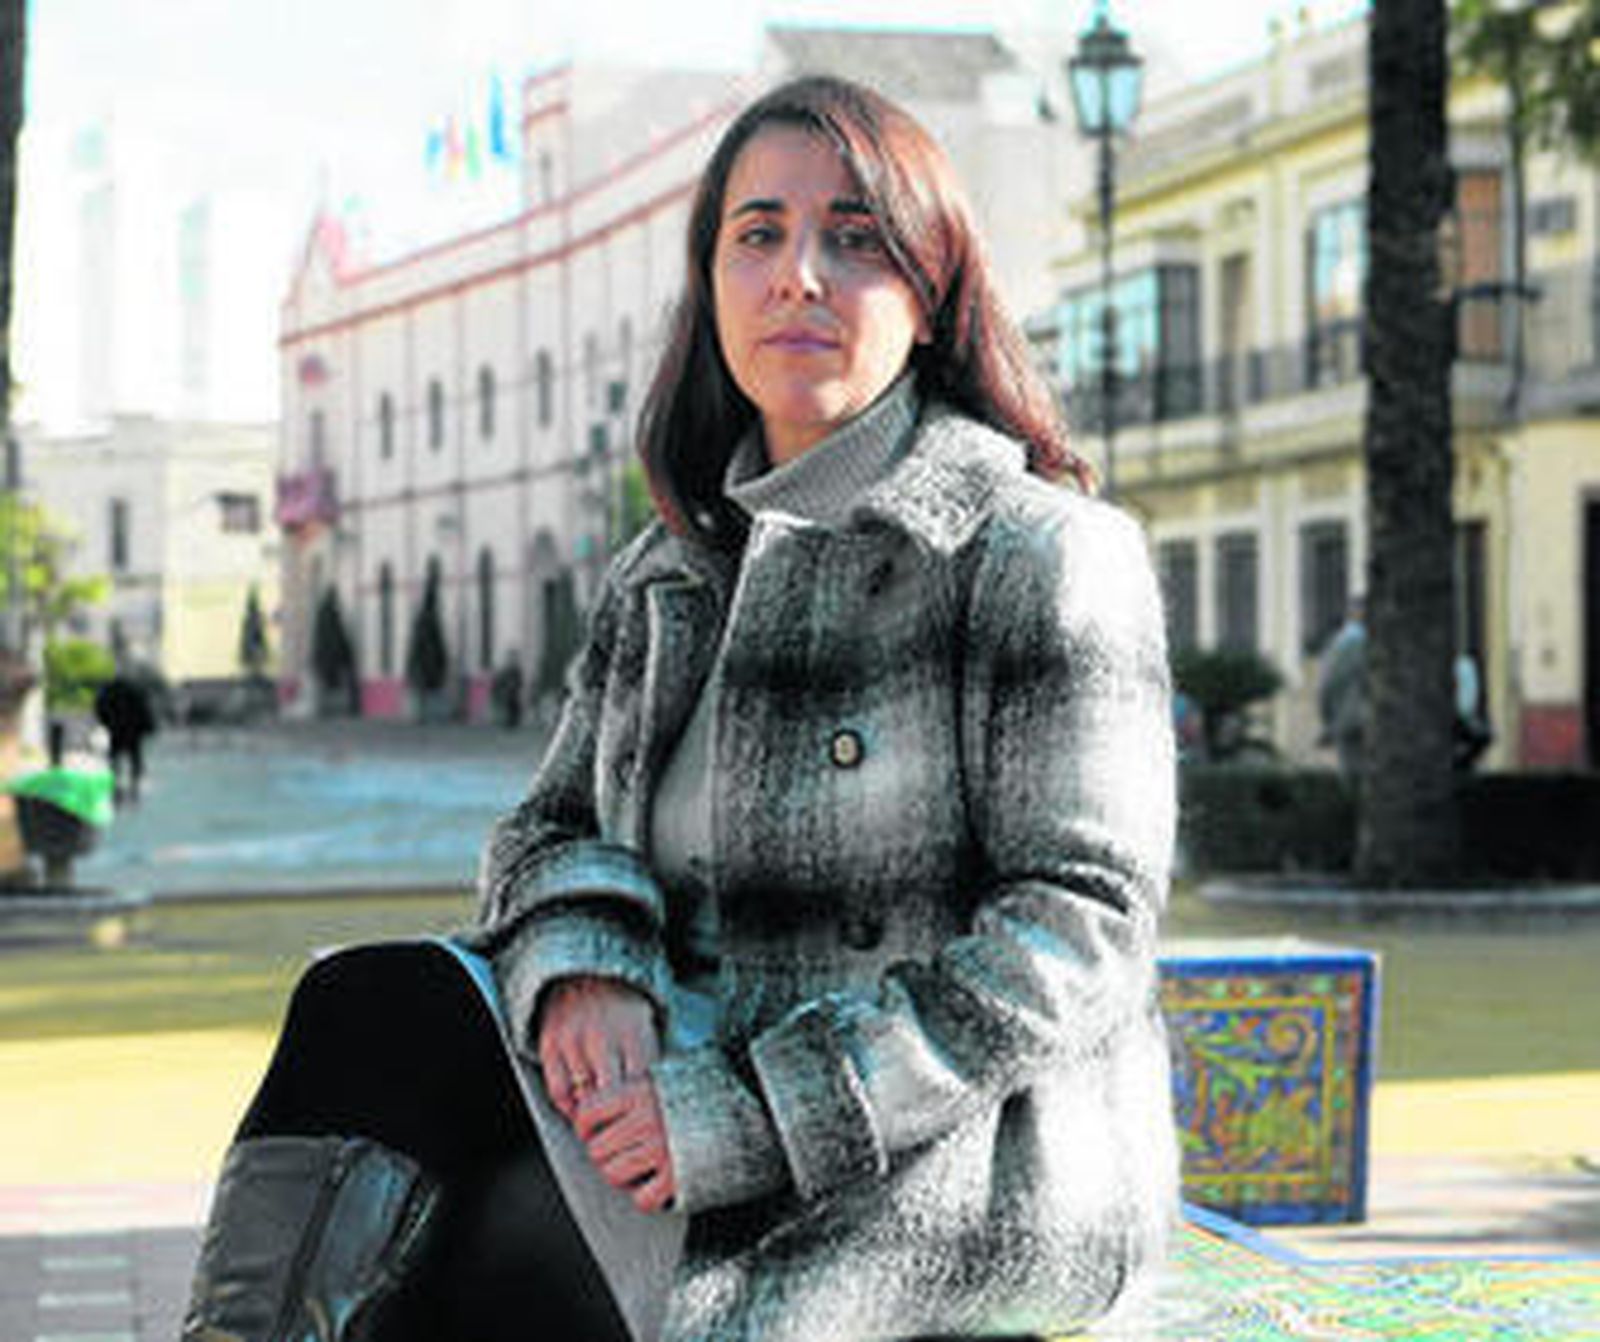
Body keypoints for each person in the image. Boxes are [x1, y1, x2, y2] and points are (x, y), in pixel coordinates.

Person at [183, 76, 1178, 1342]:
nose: (798, 275)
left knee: (466, 1259)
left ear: (929, 294)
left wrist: (741, 1116)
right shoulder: (669, 571)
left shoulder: (1038, 553)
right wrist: (584, 969)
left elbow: (1077, 931)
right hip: (663, 1099)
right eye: (756, 233)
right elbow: (547, 833)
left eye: (855, 237)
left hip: (941, 1167)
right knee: (370, 1009)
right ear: (711, 285)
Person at [1317, 595, 1366, 780]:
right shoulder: (1378, 642)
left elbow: (1326, 687)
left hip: (1347, 718)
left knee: (1352, 777)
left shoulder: (1338, 645)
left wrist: (1327, 721)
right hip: (1375, 720)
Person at [92, 667, 157, 802]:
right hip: (132, 731)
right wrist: (148, 727)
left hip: (116, 730)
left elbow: (100, 708)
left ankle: (117, 788)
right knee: (134, 760)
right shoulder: (135, 691)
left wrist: (105, 723)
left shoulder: (109, 691)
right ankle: (133, 787)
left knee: (115, 760)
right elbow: (144, 709)